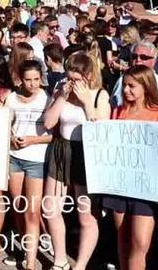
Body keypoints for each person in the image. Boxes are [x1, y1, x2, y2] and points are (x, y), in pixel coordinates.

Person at [43, 52, 111, 270]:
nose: (71, 82)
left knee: (86, 216)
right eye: (68, 77)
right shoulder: (60, 90)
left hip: (86, 153)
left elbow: (100, 130)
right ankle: (60, 259)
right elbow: (49, 122)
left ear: (88, 76)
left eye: (76, 79)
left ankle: (80, 265)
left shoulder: (100, 95)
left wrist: (86, 103)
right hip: (62, 149)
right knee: (51, 208)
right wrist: (62, 97)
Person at [104, 66, 158, 270]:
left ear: (146, 86)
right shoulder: (118, 111)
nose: (126, 90)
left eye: (132, 86)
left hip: (145, 188)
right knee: (123, 238)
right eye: (124, 85)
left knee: (140, 242)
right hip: (121, 183)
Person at [3, 60, 51, 270]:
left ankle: (31, 262)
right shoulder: (11, 99)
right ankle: (25, 246)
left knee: (32, 210)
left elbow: (54, 135)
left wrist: (33, 140)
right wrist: (11, 137)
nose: (32, 84)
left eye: (36, 80)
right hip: (15, 157)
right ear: (20, 79)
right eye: (28, 80)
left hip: (37, 159)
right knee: (18, 206)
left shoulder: (47, 98)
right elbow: (4, 125)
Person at [112, 39, 158, 117]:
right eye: (134, 57)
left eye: (144, 57)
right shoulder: (121, 81)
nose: (138, 60)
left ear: (154, 61)